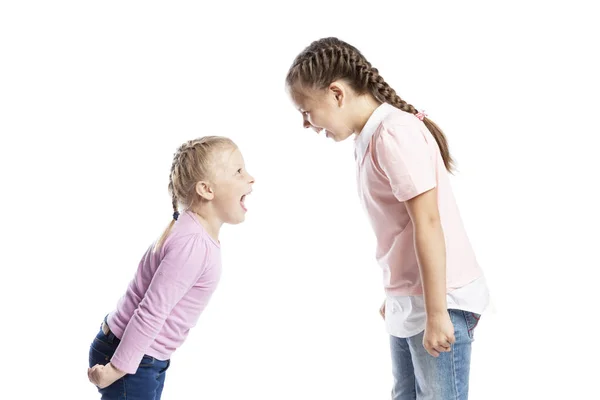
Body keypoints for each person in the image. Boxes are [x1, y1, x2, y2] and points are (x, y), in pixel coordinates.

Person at [286, 37, 489, 400]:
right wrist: (397, 293)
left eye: (306, 110)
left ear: (336, 93)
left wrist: (436, 311)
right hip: (412, 298)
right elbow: (400, 228)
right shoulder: (369, 137)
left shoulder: (394, 133)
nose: (307, 123)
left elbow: (428, 223)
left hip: (440, 300)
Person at [87, 136, 254, 399]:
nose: (250, 178)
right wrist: (116, 368)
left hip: (143, 356)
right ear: (206, 190)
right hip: (130, 357)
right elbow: (151, 311)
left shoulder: (194, 233)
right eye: (238, 171)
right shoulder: (193, 244)